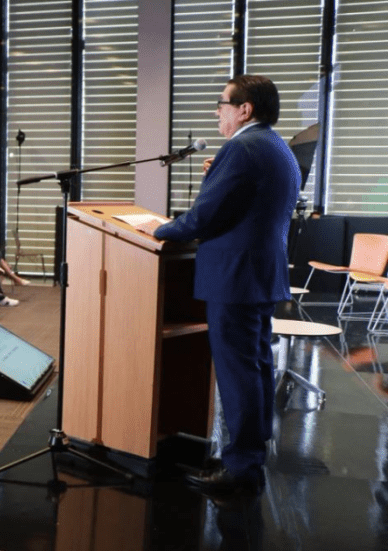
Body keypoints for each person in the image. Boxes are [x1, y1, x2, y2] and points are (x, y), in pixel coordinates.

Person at [137, 75, 299, 495]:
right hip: (259, 274)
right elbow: (247, 202)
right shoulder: (274, 145)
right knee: (255, 365)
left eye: (222, 103)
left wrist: (160, 230)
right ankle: (249, 451)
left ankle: (241, 465)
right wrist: (219, 175)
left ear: (244, 109)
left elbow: (205, 217)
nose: (217, 111)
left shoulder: (242, 147)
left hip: (235, 277)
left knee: (238, 370)